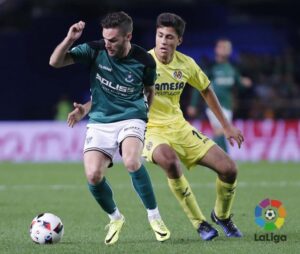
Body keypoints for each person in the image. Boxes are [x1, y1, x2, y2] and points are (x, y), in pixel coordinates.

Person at [69, 13, 244, 241]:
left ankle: (222, 216)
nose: (163, 41)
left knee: (229, 169)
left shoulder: (187, 64)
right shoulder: (141, 61)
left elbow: (206, 90)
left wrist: (227, 126)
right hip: (148, 128)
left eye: (169, 37)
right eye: (160, 35)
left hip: (179, 127)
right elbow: (111, 95)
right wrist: (84, 108)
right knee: (169, 160)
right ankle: (200, 223)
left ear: (178, 41)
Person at [49, 11, 170, 245]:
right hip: (100, 120)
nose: (108, 44)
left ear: (128, 36)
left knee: (132, 161)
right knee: (93, 175)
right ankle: (115, 218)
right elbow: (55, 62)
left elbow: (149, 90)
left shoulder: (144, 60)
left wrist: (144, 114)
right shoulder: (95, 50)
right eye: (105, 39)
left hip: (131, 117)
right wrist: (70, 39)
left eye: (113, 40)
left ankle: (154, 216)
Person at [187, 39, 251, 152]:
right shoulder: (211, 68)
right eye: (222, 47)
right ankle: (225, 157)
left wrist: (244, 82)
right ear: (216, 49)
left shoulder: (231, 69)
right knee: (221, 130)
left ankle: (214, 157)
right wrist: (193, 104)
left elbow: (239, 85)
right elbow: (199, 85)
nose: (225, 49)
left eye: (227, 47)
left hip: (227, 106)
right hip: (213, 106)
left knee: (219, 132)